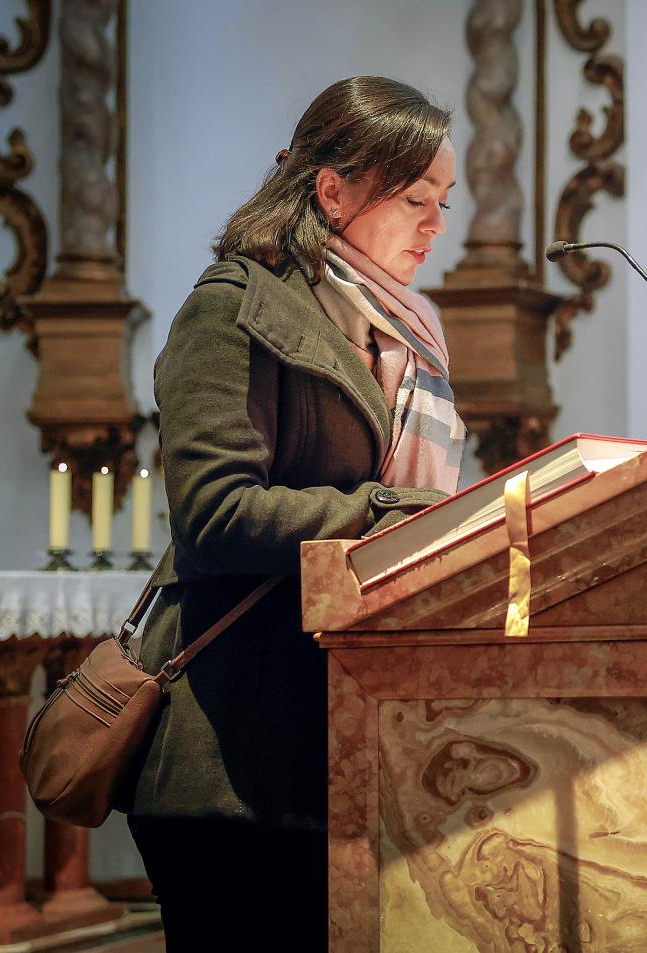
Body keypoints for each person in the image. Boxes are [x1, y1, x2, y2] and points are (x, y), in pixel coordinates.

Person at [127, 76, 464, 951]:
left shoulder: (404, 334)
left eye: (444, 201)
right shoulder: (234, 305)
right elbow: (213, 513)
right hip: (234, 741)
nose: (437, 223)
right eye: (416, 198)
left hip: (347, 732)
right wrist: (394, 511)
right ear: (333, 191)